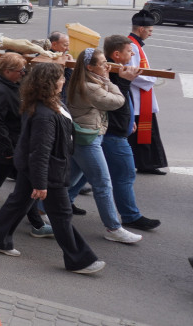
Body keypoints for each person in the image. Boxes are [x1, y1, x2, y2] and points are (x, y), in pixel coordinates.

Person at [0, 63, 105, 274]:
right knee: (62, 214)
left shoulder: (52, 104)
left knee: (19, 202)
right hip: (48, 171)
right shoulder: (44, 114)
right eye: (60, 78)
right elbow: (40, 151)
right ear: (49, 83)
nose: (64, 80)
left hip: (42, 168)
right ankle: (80, 259)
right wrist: (41, 183)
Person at [64, 48, 143, 244]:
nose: (107, 66)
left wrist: (107, 78)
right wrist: (113, 81)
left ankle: (40, 210)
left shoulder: (86, 80)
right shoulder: (90, 86)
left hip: (90, 136)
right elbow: (117, 102)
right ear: (90, 67)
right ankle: (113, 228)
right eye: (102, 64)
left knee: (68, 181)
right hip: (88, 140)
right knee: (103, 184)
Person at [0, 53, 51, 236]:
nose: (23, 73)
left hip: (14, 144)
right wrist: (7, 147)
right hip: (6, 147)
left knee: (24, 185)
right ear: (7, 71)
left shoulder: (10, 84)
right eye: (20, 70)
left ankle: (37, 224)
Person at [100, 34, 160, 232]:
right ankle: (130, 217)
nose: (133, 53)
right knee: (125, 175)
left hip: (114, 130)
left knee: (80, 176)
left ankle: (44, 207)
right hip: (112, 134)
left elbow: (124, 101)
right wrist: (126, 82)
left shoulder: (118, 71)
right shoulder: (110, 73)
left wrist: (129, 122)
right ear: (116, 55)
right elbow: (115, 102)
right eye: (129, 51)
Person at [126, 10, 167, 174]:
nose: (150, 34)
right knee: (138, 132)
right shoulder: (131, 46)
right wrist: (154, 76)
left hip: (141, 95)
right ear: (141, 29)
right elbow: (134, 72)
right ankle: (145, 164)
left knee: (144, 131)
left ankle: (146, 163)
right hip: (136, 96)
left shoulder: (135, 44)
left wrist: (153, 73)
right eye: (149, 30)